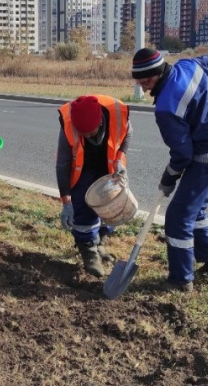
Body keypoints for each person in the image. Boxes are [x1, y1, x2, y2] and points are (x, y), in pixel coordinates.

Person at [131, 48, 208, 292]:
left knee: (178, 217)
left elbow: (183, 154)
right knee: (193, 209)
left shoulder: (167, 107)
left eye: (146, 81)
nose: (144, 88)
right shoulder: (189, 66)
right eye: (138, 82)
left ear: (158, 73)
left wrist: (170, 176)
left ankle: (181, 280)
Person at [56, 95, 131, 277]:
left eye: (90, 133)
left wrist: (119, 160)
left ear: (100, 122)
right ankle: (89, 251)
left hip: (107, 163)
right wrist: (67, 202)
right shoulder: (68, 124)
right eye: (83, 134)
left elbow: (127, 136)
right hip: (82, 169)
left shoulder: (117, 114)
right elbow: (62, 165)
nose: (87, 137)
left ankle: (100, 241)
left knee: (111, 203)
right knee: (83, 204)